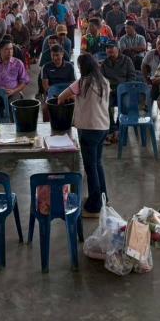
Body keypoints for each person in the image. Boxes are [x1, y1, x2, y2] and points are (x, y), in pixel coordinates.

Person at [58, 53, 110, 218]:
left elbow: (61, 97)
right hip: (103, 127)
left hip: (88, 129)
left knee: (90, 168)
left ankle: (95, 205)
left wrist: (68, 100)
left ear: (83, 68)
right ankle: (103, 198)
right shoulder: (104, 81)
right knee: (97, 164)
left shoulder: (82, 82)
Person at [101, 41, 136, 141]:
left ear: (118, 49)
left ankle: (119, 128)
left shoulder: (127, 60)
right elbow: (102, 79)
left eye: (112, 48)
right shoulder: (104, 63)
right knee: (103, 104)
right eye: (108, 49)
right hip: (110, 90)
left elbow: (132, 77)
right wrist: (107, 87)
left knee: (125, 105)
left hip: (124, 89)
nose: (109, 50)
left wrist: (124, 88)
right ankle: (112, 129)